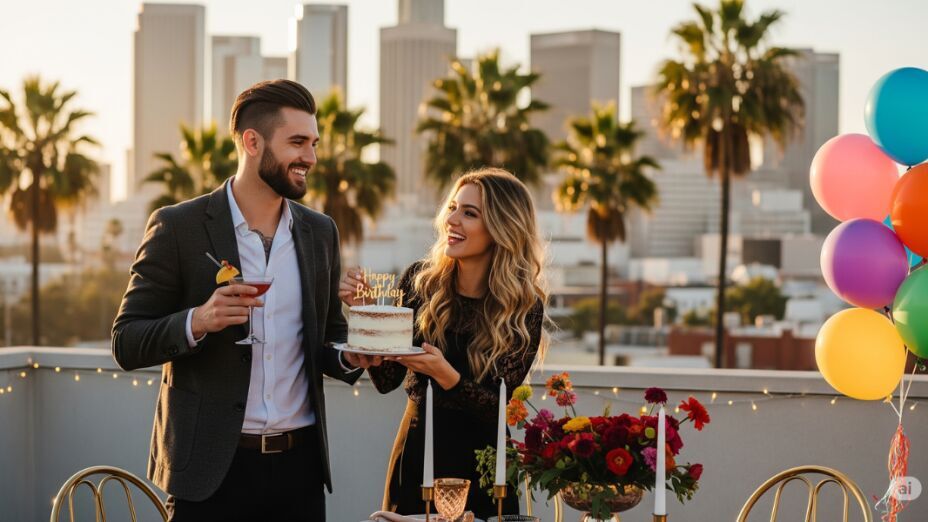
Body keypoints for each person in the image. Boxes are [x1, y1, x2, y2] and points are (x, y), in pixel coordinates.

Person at [112, 79, 380, 521]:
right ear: (252, 142)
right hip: (210, 474)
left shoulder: (320, 232)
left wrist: (351, 354)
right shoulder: (179, 227)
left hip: (300, 472)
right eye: (297, 142)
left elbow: (327, 336)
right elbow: (126, 341)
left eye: (313, 143)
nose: (310, 158)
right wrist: (198, 320)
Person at [339, 168, 548, 519]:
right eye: (453, 207)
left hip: (485, 464)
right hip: (419, 451)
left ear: (502, 227)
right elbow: (386, 380)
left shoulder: (522, 307)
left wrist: (445, 375)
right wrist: (365, 316)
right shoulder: (420, 283)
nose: (452, 219)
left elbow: (496, 409)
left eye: (469, 213)